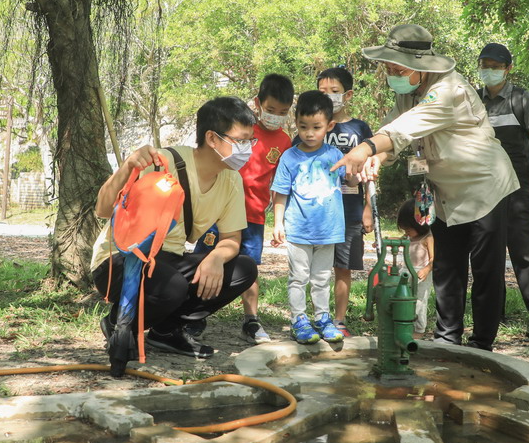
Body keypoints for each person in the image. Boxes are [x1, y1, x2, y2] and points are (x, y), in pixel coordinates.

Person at [333, 24, 518, 351]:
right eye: (389, 68)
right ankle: (448, 340)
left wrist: (364, 149)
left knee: (486, 272)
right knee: (448, 268)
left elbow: (405, 129)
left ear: (420, 67)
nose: (392, 74)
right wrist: (380, 158)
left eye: (398, 68)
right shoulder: (408, 92)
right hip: (445, 191)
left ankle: (481, 346)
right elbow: (392, 129)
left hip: (484, 187)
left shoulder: (448, 91)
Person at [91, 97, 259, 360]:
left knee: (242, 269)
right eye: (241, 141)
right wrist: (127, 167)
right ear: (212, 139)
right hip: (120, 262)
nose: (247, 149)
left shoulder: (231, 179)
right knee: (173, 286)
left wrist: (216, 257)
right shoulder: (162, 162)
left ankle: (166, 332)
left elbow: (232, 240)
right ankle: (118, 323)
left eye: (251, 141)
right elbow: (102, 209)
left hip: (169, 262)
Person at [191, 74, 293, 345]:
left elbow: (280, 181)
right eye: (271, 110)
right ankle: (193, 317)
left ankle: (251, 320)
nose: (276, 116)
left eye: (283, 112)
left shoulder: (285, 141)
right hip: (218, 210)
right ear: (258, 104)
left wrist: (278, 219)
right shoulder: (241, 130)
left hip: (253, 214)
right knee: (205, 260)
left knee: (249, 267)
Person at [476, 42, 529, 336]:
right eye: (484, 65)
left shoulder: (522, 99)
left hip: (517, 188)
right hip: (483, 190)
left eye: (495, 66)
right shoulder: (475, 102)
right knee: (487, 252)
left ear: (508, 69)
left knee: (524, 252)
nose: (488, 71)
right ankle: (491, 314)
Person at [271, 90, 348, 345]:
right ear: (296, 123)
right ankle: (299, 320)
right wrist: (278, 223)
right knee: (298, 277)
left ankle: (323, 319)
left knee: (322, 278)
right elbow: (280, 193)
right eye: (303, 127)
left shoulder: (336, 155)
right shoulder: (290, 157)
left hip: (329, 230)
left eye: (316, 127)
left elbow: (351, 179)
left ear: (329, 125)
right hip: (298, 230)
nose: (309, 133)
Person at [316, 66, 375, 336]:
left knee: (343, 267)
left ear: (348, 94)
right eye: (323, 92)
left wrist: (368, 208)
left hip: (350, 211)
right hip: (317, 211)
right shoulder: (312, 127)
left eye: (334, 92)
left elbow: (372, 170)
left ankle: (339, 320)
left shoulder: (360, 129)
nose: (328, 96)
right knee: (316, 268)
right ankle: (317, 316)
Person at [397, 200, 434, 338]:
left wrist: (427, 269)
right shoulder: (409, 236)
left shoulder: (427, 237)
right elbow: (398, 240)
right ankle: (404, 325)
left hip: (421, 274)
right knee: (403, 298)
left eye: (408, 229)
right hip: (406, 271)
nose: (406, 232)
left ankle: (418, 330)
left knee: (419, 301)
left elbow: (434, 258)